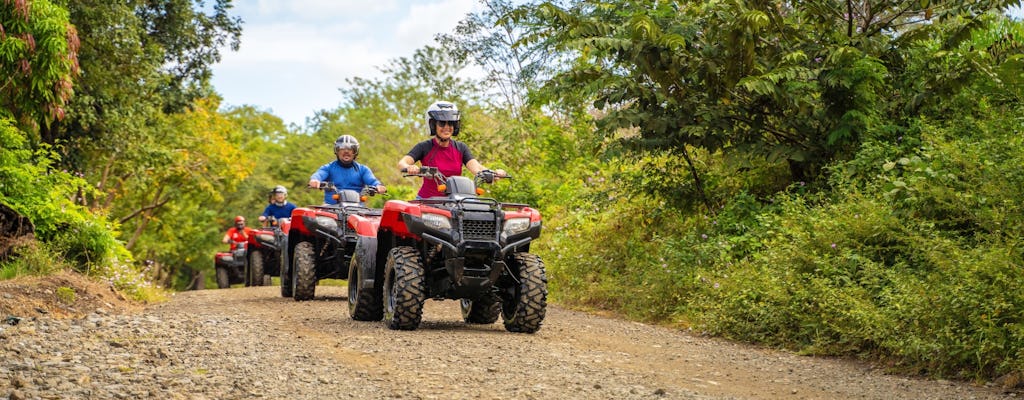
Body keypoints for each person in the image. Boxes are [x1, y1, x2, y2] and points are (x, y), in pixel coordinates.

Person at [397, 101, 506, 199]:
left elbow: (476, 167)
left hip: (455, 200)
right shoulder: (424, 147)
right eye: (442, 123)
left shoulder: (461, 148)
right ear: (433, 125)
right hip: (428, 201)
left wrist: (492, 173)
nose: (447, 127)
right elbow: (402, 163)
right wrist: (410, 167)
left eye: (450, 123)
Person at [308, 134, 387, 205]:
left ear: (355, 152)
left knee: (371, 220)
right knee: (318, 220)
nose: (346, 151)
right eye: (342, 148)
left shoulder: (363, 170)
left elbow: (372, 181)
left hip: (358, 210)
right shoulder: (328, 167)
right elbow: (319, 174)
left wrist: (378, 186)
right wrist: (315, 180)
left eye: (350, 149)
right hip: (330, 208)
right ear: (337, 151)